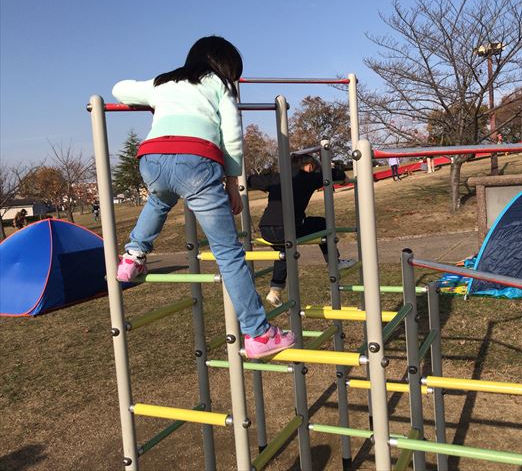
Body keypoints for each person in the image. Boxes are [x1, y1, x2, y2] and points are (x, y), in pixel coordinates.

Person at [111, 35, 294, 359]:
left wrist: (153, 98)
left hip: (151, 159)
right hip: (197, 161)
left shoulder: (165, 82)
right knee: (227, 253)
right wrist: (232, 180)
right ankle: (258, 333)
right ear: (224, 67)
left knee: (158, 200)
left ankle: (132, 257)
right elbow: (232, 135)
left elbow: (119, 89)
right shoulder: (220, 87)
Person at [248, 154, 356, 307]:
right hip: (288, 228)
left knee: (284, 252)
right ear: (309, 167)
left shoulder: (276, 178)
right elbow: (330, 174)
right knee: (321, 224)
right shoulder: (308, 177)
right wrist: (342, 176)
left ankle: (275, 290)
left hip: (265, 228)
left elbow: (252, 180)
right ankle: (334, 262)